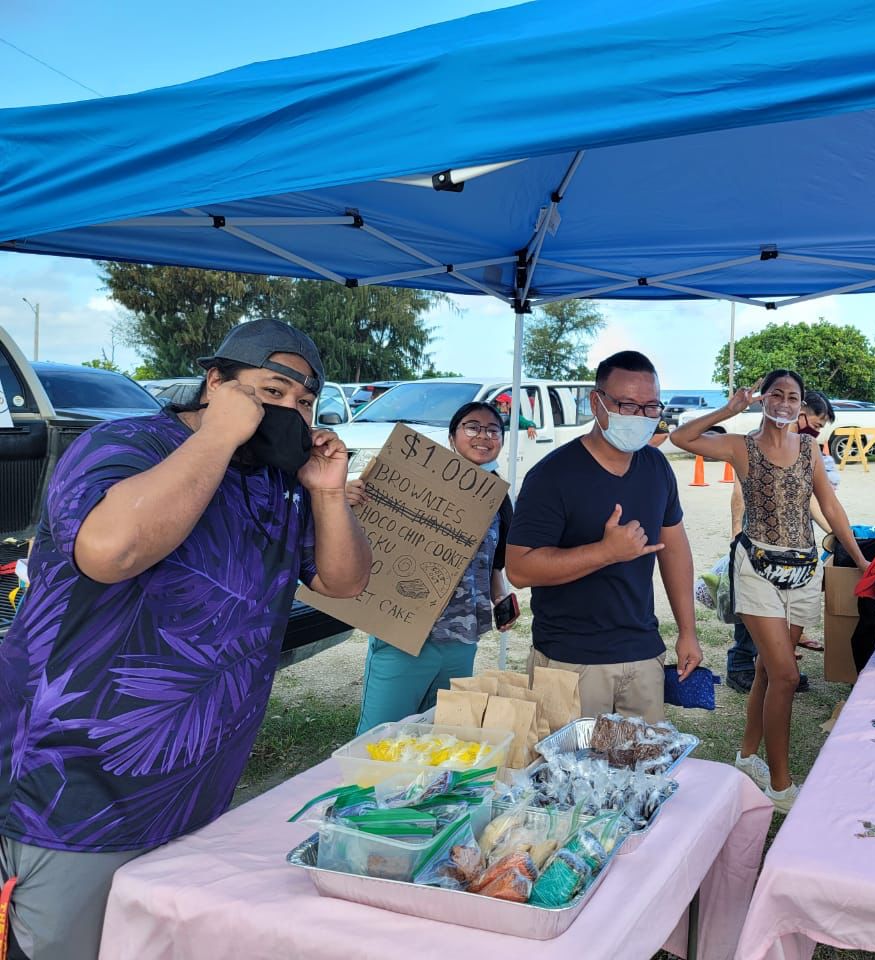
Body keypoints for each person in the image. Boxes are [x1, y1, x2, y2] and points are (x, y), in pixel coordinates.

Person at [0, 319, 371, 960]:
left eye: (304, 402)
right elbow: (111, 551)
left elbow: (345, 581)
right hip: (75, 792)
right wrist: (223, 436)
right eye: (270, 392)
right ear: (216, 382)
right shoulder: (124, 443)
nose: (289, 412)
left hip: (195, 788)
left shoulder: (277, 483)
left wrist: (329, 496)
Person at [672, 371, 868, 812]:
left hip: (803, 569)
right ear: (763, 399)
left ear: (802, 404)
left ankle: (746, 756)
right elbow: (681, 438)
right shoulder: (740, 445)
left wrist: (858, 559)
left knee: (767, 668)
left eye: (792, 396)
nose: (783, 402)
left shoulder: (809, 449)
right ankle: (781, 786)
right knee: (786, 674)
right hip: (757, 567)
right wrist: (728, 410)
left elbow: (830, 507)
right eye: (775, 394)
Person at [506, 351, 702, 723]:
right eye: (627, 405)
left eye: (650, 407)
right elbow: (519, 569)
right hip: (571, 660)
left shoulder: (656, 467)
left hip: (642, 653)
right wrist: (605, 552)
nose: (640, 417)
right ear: (597, 403)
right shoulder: (552, 475)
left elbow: (674, 549)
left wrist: (688, 631)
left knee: (644, 774)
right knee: (568, 776)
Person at [349, 401, 517, 733]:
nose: (483, 436)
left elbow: (494, 561)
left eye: (493, 430)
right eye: (472, 427)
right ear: (453, 437)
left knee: (436, 736)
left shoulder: (498, 498)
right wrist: (342, 498)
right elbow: (369, 532)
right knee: (379, 737)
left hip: (462, 638)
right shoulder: (413, 482)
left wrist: (500, 598)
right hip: (404, 636)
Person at [725, 389, 836, 694]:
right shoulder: (755, 444)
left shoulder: (805, 449)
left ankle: (778, 670)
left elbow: (809, 502)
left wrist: (834, 531)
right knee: (752, 617)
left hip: (792, 553)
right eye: (816, 422)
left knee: (778, 617)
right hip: (756, 545)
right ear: (801, 414)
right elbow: (738, 493)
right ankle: (740, 667)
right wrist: (736, 532)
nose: (817, 429)